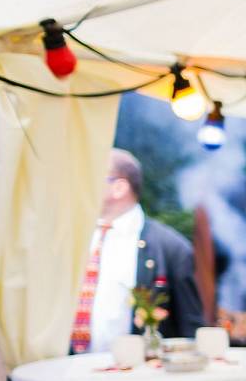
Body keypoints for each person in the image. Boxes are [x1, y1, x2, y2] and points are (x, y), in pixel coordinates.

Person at [70, 148, 205, 354]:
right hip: (71, 373)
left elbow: (190, 328)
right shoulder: (73, 238)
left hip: (136, 378)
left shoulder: (171, 248)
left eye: (92, 178)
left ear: (119, 187)